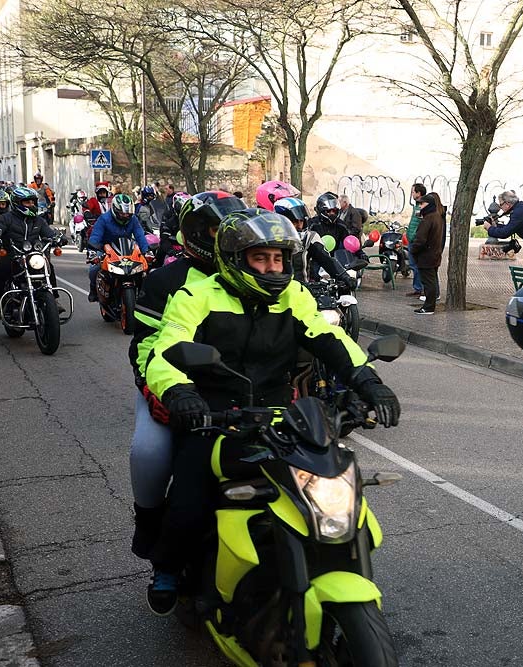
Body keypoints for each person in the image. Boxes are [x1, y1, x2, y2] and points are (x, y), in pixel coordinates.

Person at [142, 209, 400, 614]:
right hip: (213, 416)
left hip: (280, 414)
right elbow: (166, 352)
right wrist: (179, 393)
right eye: (261, 258)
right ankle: (169, 567)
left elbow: (327, 337)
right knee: (190, 501)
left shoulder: (294, 296)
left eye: (278, 258)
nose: (272, 267)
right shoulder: (196, 297)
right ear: (234, 258)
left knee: (325, 483)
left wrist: (370, 383)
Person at [127, 191, 246, 561]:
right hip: (172, 388)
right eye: (216, 230)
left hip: (238, 389)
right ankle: (149, 527)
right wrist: (155, 392)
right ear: (196, 232)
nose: (226, 236)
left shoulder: (250, 274)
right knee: (149, 450)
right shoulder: (164, 280)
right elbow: (146, 346)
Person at [0, 187, 62, 317]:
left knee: (48, 267)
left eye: (33, 202)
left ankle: (54, 299)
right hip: (12, 254)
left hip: (33, 254)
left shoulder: (38, 220)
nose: (31, 205)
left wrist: (57, 238)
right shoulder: (7, 218)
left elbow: (49, 233)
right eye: (27, 202)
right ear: (17, 203)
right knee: (0, 270)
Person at [274, 196, 355, 289]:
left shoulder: (309, 237)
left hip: (301, 291)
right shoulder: (269, 240)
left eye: (301, 221)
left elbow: (326, 260)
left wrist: (345, 277)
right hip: (274, 292)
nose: (300, 226)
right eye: (295, 222)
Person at [87, 193, 150, 302]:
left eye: (128, 214)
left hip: (127, 249)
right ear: (115, 210)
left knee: (145, 270)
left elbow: (140, 235)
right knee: (94, 269)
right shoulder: (104, 219)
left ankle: (143, 296)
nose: (126, 216)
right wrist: (92, 251)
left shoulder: (133, 220)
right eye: (122, 214)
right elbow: (95, 237)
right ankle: (94, 291)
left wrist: (147, 251)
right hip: (106, 250)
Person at [411, 193, 445, 314]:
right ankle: (430, 304)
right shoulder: (437, 217)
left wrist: (413, 250)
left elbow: (420, 239)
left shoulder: (428, 218)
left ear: (429, 204)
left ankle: (429, 306)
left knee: (428, 282)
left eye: (422, 204)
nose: (420, 206)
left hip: (427, 256)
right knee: (430, 281)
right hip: (434, 254)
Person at [404, 183, 427, 297]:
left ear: (419, 193)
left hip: (415, 240)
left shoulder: (422, 206)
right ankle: (418, 288)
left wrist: (413, 236)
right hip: (412, 239)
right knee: (414, 265)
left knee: (416, 265)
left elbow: (420, 224)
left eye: (413, 192)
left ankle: (420, 288)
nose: (412, 194)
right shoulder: (417, 206)